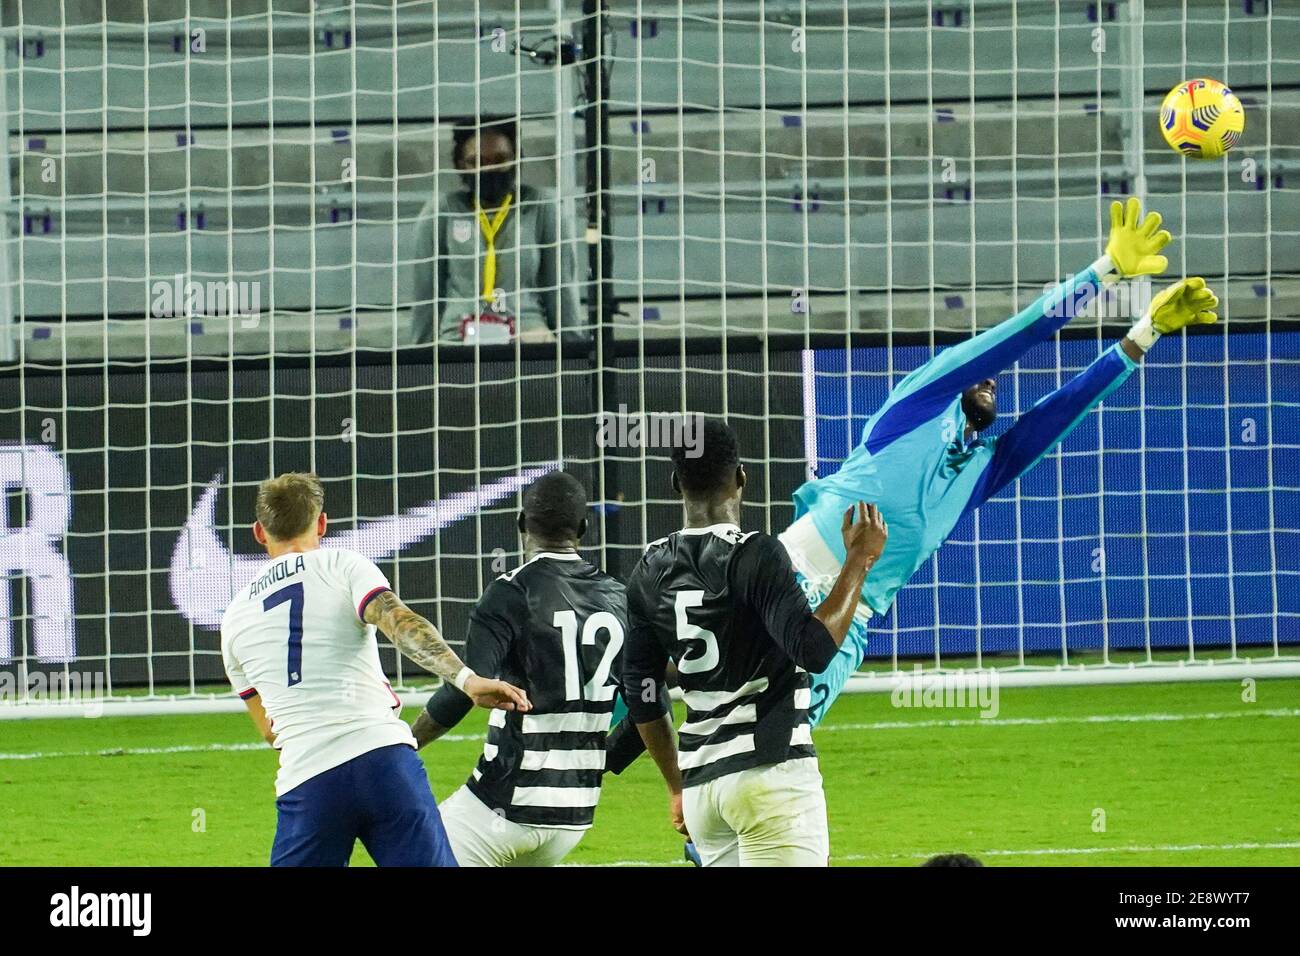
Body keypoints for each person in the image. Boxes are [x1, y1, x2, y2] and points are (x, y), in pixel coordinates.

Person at [782, 198, 1219, 724]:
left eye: (995, 382)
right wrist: (1105, 273)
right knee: (715, 705)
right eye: (984, 373)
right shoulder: (918, 402)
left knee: (786, 746)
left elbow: (1065, 409)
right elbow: (1021, 334)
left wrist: (1144, 331)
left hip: (855, 617)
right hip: (792, 571)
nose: (992, 380)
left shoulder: (983, 469)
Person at [220, 472, 530, 866]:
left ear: (259, 533)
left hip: (309, 781)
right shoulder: (342, 564)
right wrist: (466, 679)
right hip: (382, 762)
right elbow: (399, 623)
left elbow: (269, 729)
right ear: (321, 524)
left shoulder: (233, 619)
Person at [621, 419, 888, 866]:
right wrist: (859, 560)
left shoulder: (649, 567)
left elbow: (641, 690)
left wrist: (675, 786)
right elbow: (815, 650)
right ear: (742, 476)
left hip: (704, 788)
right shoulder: (756, 553)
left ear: (674, 484)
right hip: (769, 777)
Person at [411, 471, 647, 866]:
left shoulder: (509, 592)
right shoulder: (619, 598)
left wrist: (403, 744)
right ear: (584, 528)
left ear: (521, 523)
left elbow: (464, 690)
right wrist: (602, 759)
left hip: (505, 804)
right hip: (575, 814)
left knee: (412, 855)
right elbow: (648, 705)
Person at [411, 117, 583, 344]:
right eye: (478, 161)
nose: (489, 169)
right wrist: (418, 359)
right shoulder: (442, 211)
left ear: (516, 159)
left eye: (500, 159)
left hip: (526, 331)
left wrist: (574, 353)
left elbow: (561, 290)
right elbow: (425, 294)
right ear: (461, 164)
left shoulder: (540, 206)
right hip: (457, 335)